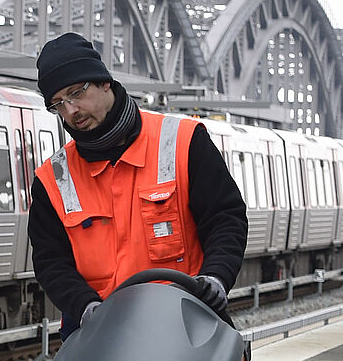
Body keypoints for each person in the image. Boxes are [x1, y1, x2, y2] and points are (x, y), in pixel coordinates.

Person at [27, 32, 247, 332]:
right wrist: (84, 306)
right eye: (58, 104)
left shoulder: (184, 142)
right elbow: (50, 261)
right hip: (100, 338)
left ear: (104, 81)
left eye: (77, 93)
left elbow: (225, 219)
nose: (71, 111)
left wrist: (216, 276)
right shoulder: (52, 179)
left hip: (187, 329)